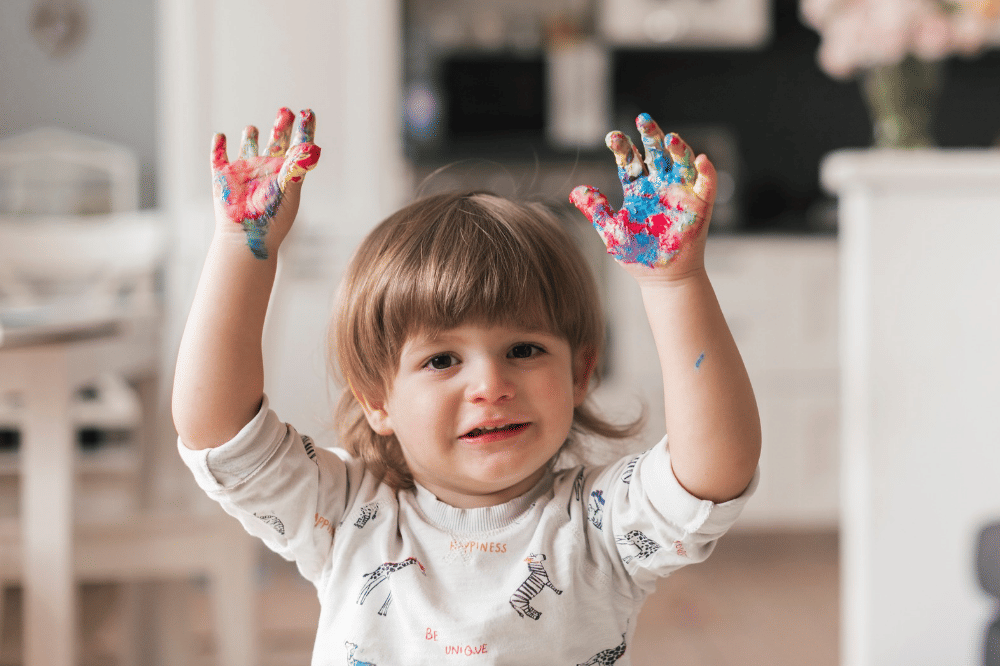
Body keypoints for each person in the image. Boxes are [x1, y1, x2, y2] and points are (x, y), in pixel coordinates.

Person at [172, 106, 761, 665]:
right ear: (377, 399)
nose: (491, 384)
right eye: (441, 360)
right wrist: (242, 248)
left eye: (523, 350)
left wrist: (674, 285)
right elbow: (218, 429)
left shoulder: (599, 525)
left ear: (580, 374)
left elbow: (714, 469)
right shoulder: (345, 516)